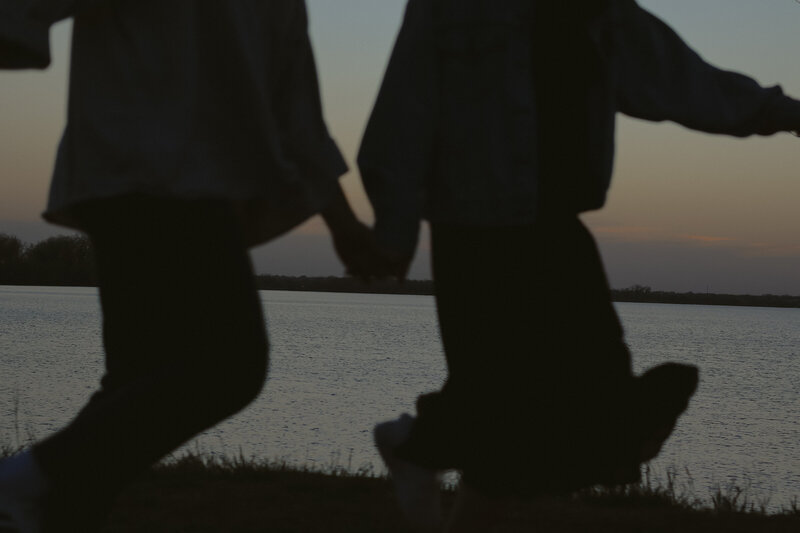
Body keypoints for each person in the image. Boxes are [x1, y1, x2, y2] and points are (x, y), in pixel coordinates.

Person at [359, 0, 800, 530]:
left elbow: (679, 78)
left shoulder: (598, 10)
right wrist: (394, 230)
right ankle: (419, 446)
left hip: (558, 230)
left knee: (566, 428)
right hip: (474, 231)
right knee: (522, 426)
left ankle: (419, 446)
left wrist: (784, 113)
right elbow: (404, 106)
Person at [0, 2, 381, 531]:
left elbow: (299, 120)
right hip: (139, 167)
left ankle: (47, 504)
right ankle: (26, 479)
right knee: (231, 365)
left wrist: (345, 226)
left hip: (178, 182)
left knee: (135, 383)